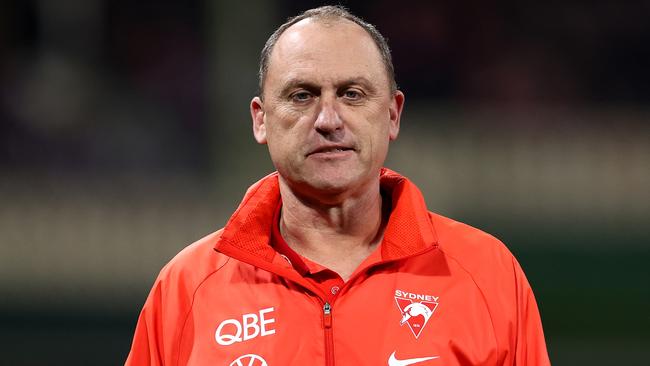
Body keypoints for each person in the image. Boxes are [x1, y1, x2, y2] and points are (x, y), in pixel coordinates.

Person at [125, 5, 550, 366]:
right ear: (261, 119)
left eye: (351, 94)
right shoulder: (186, 289)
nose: (328, 120)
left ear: (392, 114)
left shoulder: (488, 273)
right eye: (301, 95)